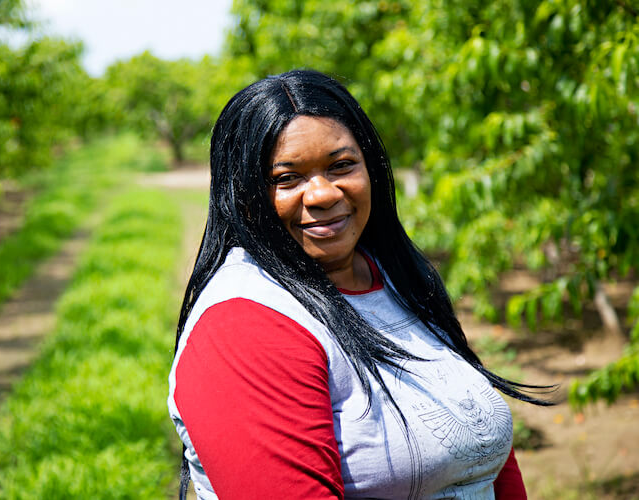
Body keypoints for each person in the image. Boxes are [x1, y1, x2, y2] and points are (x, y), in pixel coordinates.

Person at [167, 69, 548, 499]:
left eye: (341, 166)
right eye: (286, 178)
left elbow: (491, 462)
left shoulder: (397, 278)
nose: (323, 194)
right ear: (245, 198)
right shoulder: (246, 327)